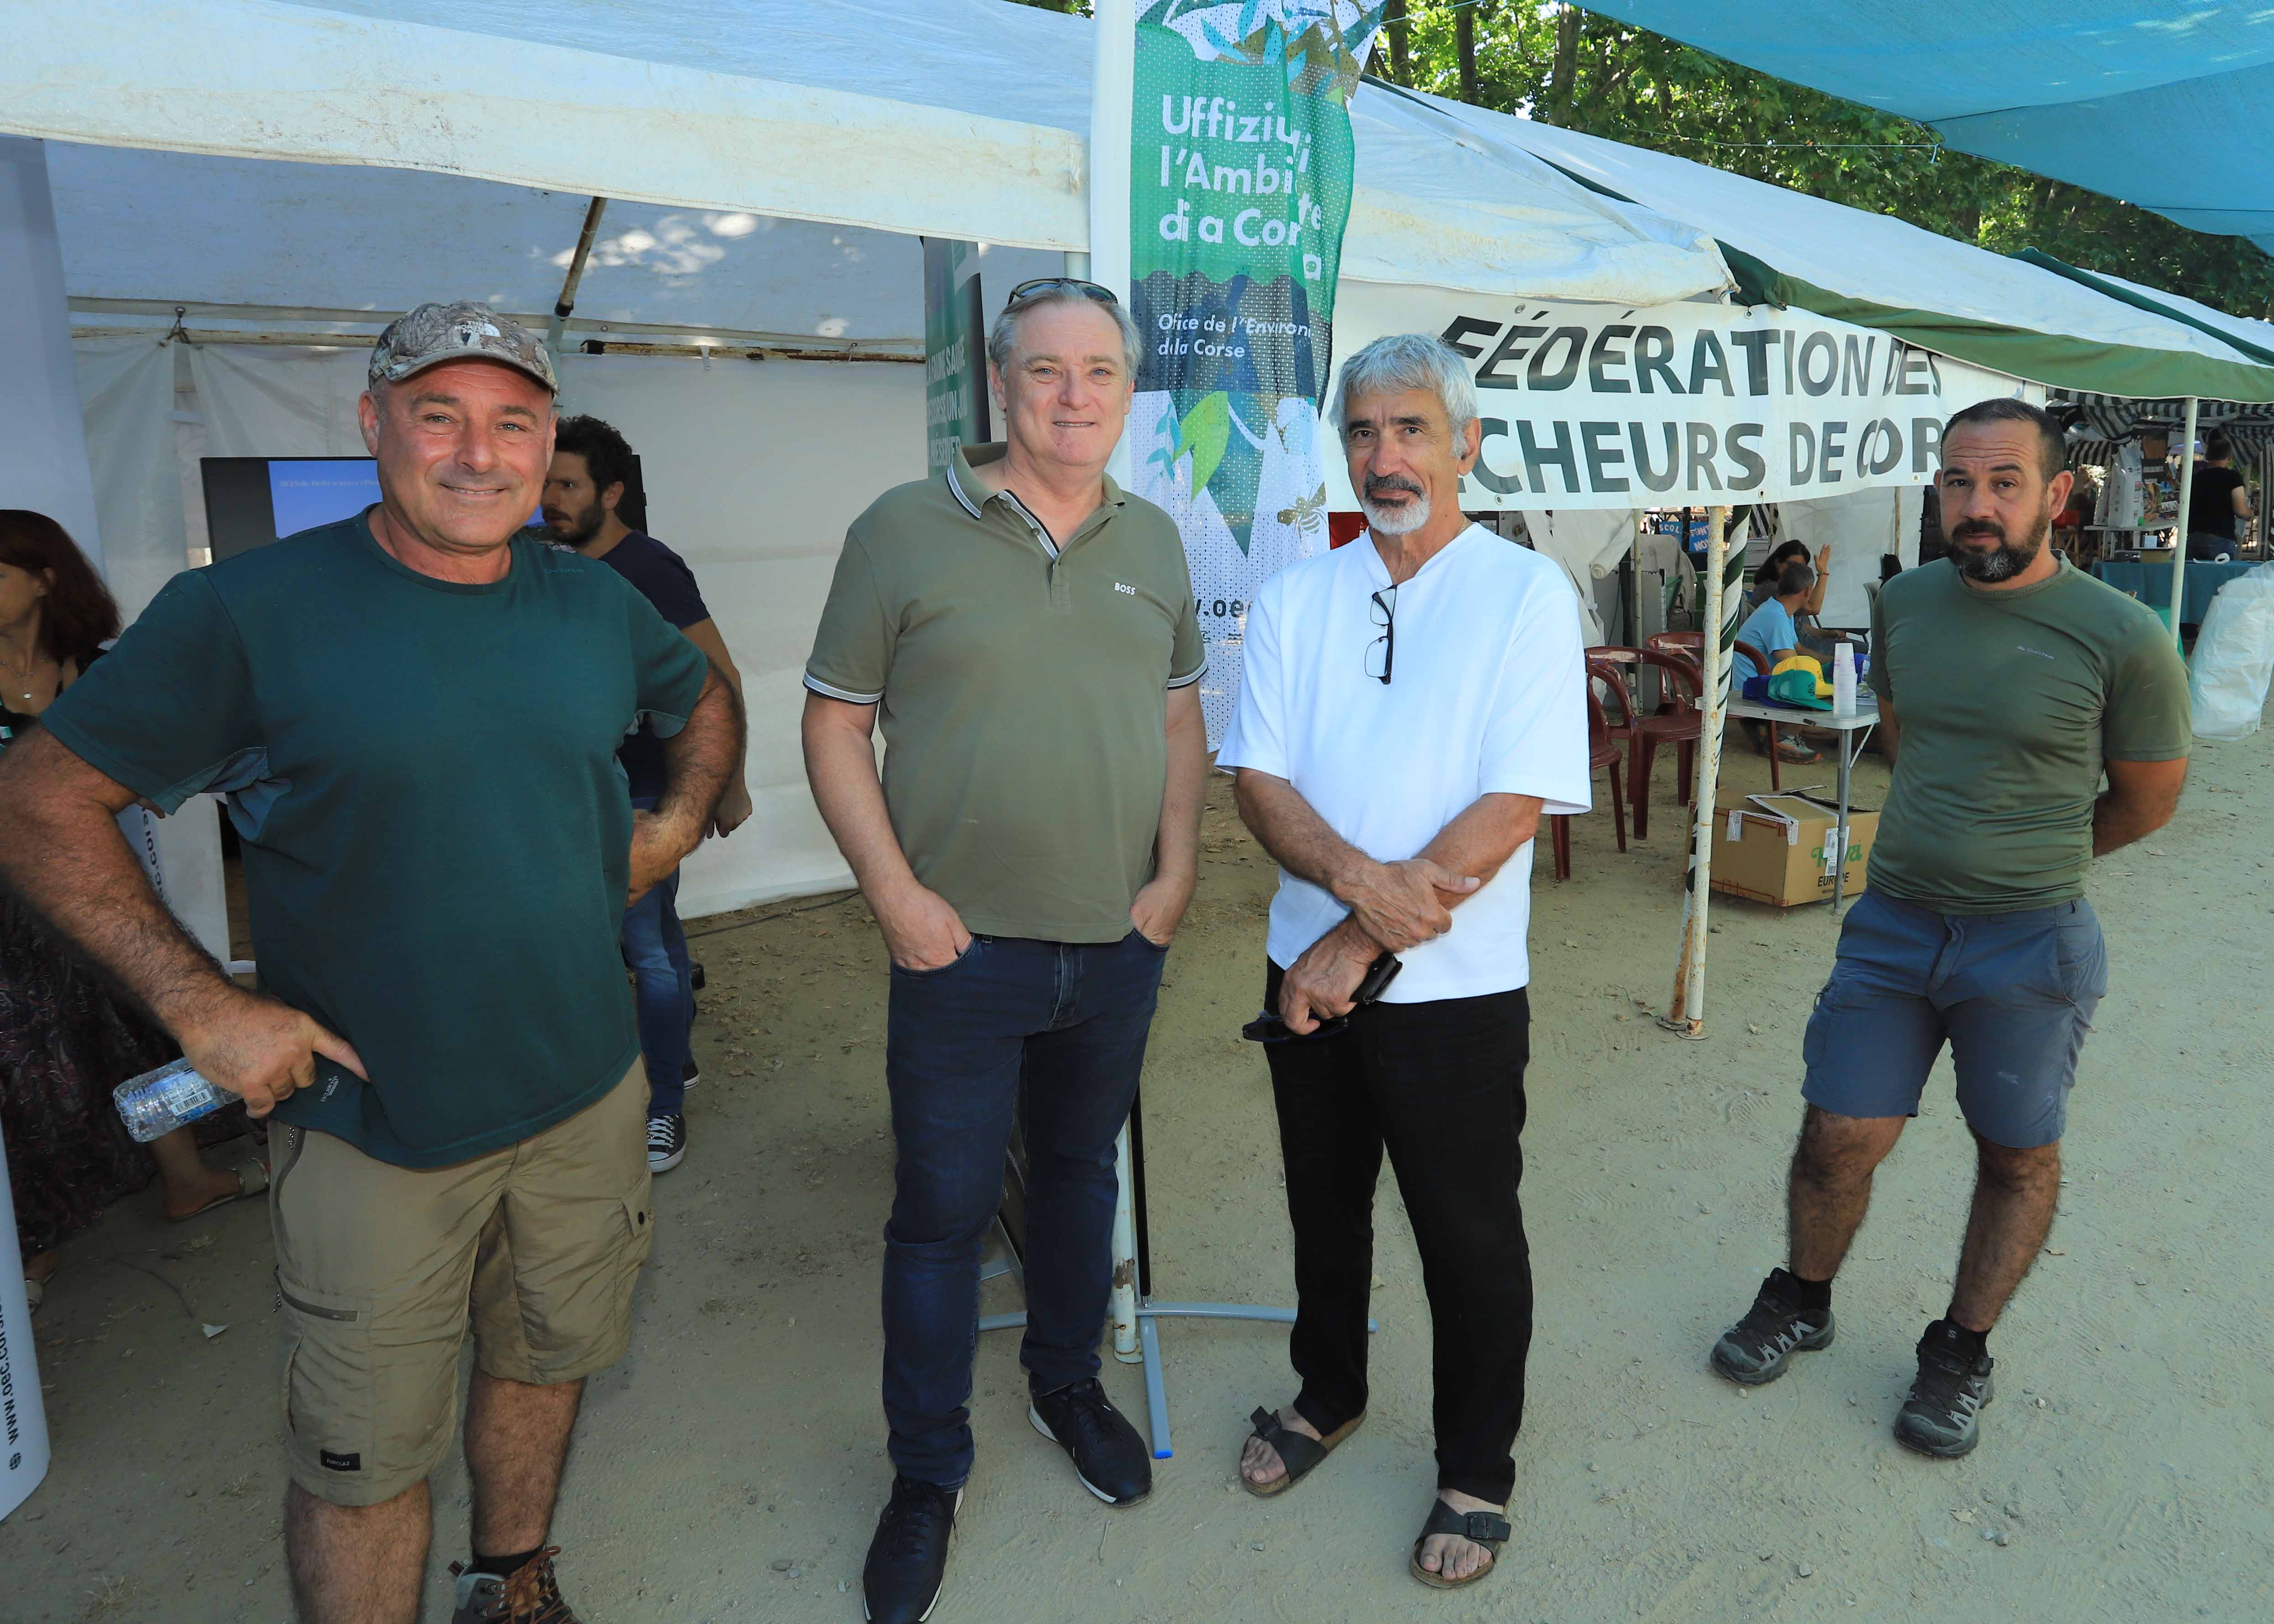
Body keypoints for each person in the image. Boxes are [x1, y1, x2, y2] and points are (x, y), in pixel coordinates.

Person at [0, 302, 742, 1624]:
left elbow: (703, 693)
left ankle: (513, 1580)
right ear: (372, 426)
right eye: (437, 415)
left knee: (547, 1357)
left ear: (546, 442)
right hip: (376, 1130)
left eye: (513, 422)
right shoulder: (250, 610)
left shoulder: (590, 600)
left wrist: (675, 821)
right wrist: (200, 1003)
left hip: (584, 1097)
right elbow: (39, 798)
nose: (478, 453)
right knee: (360, 1460)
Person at [802, 276, 1206, 1624]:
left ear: (1126, 387)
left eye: (1100, 370)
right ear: (998, 383)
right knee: (940, 1213)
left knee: (1082, 1177)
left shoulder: (1154, 537)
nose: (1074, 394)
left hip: (1115, 945)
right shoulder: (900, 530)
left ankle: (1065, 1382)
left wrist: (1176, 869)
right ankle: (925, 1472)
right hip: (954, 954)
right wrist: (895, 897)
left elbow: (1178, 714)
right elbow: (830, 722)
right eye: (1046, 370)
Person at [1707, 397, 2190, 1460]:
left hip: (2030, 941)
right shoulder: (1907, 603)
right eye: (1957, 483)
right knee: (1839, 1134)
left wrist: (2031, 856)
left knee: (2017, 1155)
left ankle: (1961, 1351)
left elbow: (2149, 798)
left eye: (2004, 483)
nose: (1976, 506)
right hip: (1891, 930)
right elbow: (1906, 732)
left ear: (2056, 496)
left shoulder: (2124, 636)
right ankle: (1804, 1294)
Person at [1216, 334, 1590, 1590]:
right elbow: (1257, 782)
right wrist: (1351, 899)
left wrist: (1355, 938)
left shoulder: (1525, 595)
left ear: (1467, 442)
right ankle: (1328, 1396)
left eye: (1412, 429)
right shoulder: (1294, 599)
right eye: (1365, 432)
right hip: (1305, 977)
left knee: (1468, 1235)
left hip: (1456, 994)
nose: (1386, 457)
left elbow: (1514, 804)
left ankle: (1477, 1466)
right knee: (1323, 1210)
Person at [1, 510, 259, 1312]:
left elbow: (170, 764)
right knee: (24, 1069)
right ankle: (32, 1243)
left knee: (144, 1028)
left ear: (44, 580)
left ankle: (185, 1178)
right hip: (8, 918)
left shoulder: (103, 671)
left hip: (96, 891)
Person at [544, 414, 752, 1175]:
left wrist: (727, 782)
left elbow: (714, 676)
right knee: (657, 935)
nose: (549, 500)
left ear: (612, 492)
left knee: (643, 951)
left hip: (643, 785)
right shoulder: (550, 565)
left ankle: (662, 1105)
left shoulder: (650, 567)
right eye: (544, 484)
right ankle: (674, 1058)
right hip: (581, 782)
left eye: (566, 485)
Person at [1732, 560, 1823, 765]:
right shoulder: (1776, 617)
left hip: (1756, 688)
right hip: (1753, 696)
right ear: (1808, 591)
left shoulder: (1780, 611)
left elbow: (1799, 650)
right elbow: (1793, 665)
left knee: (1829, 730)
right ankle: (1784, 737)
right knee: (1810, 688)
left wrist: (1835, 662)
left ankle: (1774, 732)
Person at [2185, 432, 2253, 561]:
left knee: (2194, 578)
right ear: (2229, 458)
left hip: (2194, 537)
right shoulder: (2233, 478)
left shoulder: (2195, 478)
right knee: (2222, 579)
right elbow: (2241, 511)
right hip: (2221, 537)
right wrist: (2250, 513)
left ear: (2207, 456)